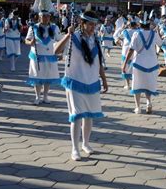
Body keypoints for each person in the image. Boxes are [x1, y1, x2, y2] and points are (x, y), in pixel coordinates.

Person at [55, 10, 108, 161]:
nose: (93, 27)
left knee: (89, 116)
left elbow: (98, 63)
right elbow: (56, 51)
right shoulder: (73, 37)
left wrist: (104, 79)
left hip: (91, 82)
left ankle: (85, 143)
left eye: (94, 25)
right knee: (77, 116)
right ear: (82, 24)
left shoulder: (95, 40)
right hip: (75, 82)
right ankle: (75, 149)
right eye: (90, 24)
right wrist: (67, 35)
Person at [122, 12, 163, 114]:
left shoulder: (136, 34)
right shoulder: (154, 34)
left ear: (140, 25)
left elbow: (131, 50)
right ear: (149, 25)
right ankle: (148, 102)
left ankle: (138, 107)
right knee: (148, 84)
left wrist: (125, 63)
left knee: (137, 85)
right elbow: (161, 44)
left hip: (139, 63)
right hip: (152, 64)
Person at [25, 10, 61, 105]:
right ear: (39, 17)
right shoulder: (34, 27)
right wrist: (30, 42)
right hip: (37, 56)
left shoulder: (54, 27)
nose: (46, 18)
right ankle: (37, 97)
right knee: (37, 76)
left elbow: (59, 41)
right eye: (43, 16)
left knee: (48, 76)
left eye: (47, 16)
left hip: (50, 56)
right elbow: (27, 40)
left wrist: (60, 53)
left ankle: (45, 96)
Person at [116, 18, 139, 89]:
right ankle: (134, 84)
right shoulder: (138, 32)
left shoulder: (125, 31)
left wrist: (121, 43)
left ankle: (127, 84)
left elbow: (118, 37)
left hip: (126, 50)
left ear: (129, 25)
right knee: (134, 67)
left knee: (125, 66)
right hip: (136, 50)